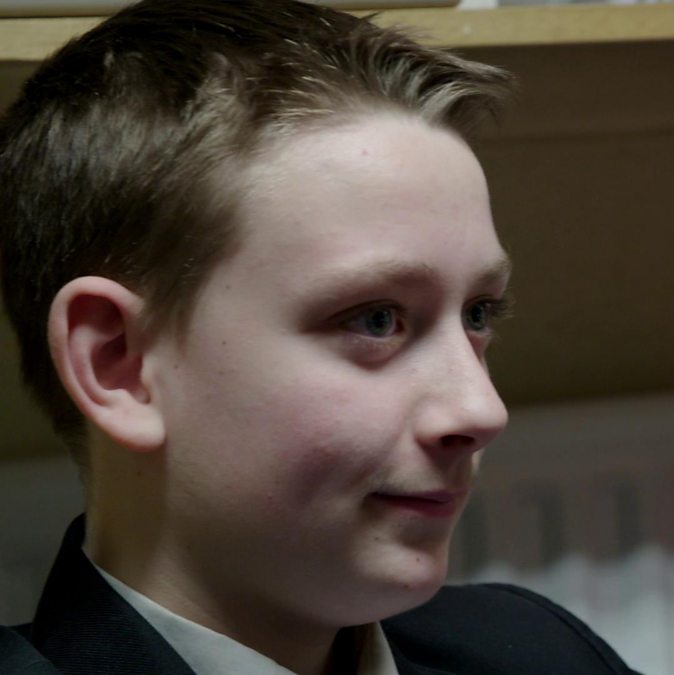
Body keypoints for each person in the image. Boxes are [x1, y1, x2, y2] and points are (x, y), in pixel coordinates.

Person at [0, 1, 635, 673]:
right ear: (118, 363)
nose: (481, 411)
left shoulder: (538, 649)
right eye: (376, 319)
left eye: (479, 314)